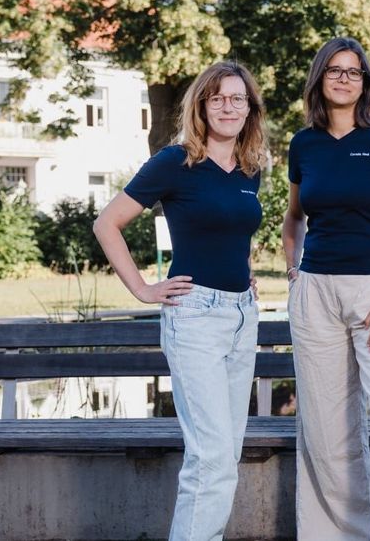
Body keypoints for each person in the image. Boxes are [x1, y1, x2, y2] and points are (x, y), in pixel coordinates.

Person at [93, 61, 267, 541]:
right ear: (202, 105)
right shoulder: (176, 161)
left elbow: (229, 231)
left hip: (240, 316)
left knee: (224, 455)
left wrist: (244, 272)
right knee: (209, 458)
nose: (228, 106)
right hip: (195, 317)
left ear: (249, 107)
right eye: (218, 98)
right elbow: (106, 224)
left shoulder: (249, 169)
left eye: (237, 98)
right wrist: (144, 289)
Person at [281, 37, 370, 540]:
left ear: (365, 83)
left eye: (354, 71)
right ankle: (335, 534)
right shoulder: (304, 144)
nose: (344, 78)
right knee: (324, 426)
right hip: (316, 293)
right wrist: (295, 272)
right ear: (320, 78)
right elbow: (294, 218)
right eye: (335, 70)